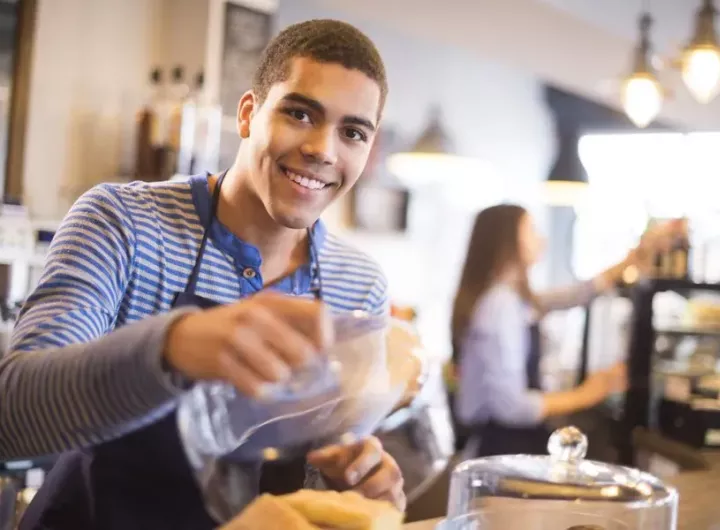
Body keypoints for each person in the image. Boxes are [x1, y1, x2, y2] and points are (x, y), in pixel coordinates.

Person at [0, 19, 404, 529]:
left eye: (352, 132)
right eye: (300, 113)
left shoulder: (360, 287)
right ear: (247, 113)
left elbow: (318, 475)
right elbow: (12, 418)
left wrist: (361, 484)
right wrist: (173, 347)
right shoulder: (123, 223)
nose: (324, 149)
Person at [451, 204, 629, 457]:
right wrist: (586, 394)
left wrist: (629, 262)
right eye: (531, 230)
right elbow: (510, 406)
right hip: (500, 447)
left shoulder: (511, 298)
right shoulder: (500, 305)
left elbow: (573, 295)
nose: (541, 238)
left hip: (503, 443)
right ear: (508, 240)